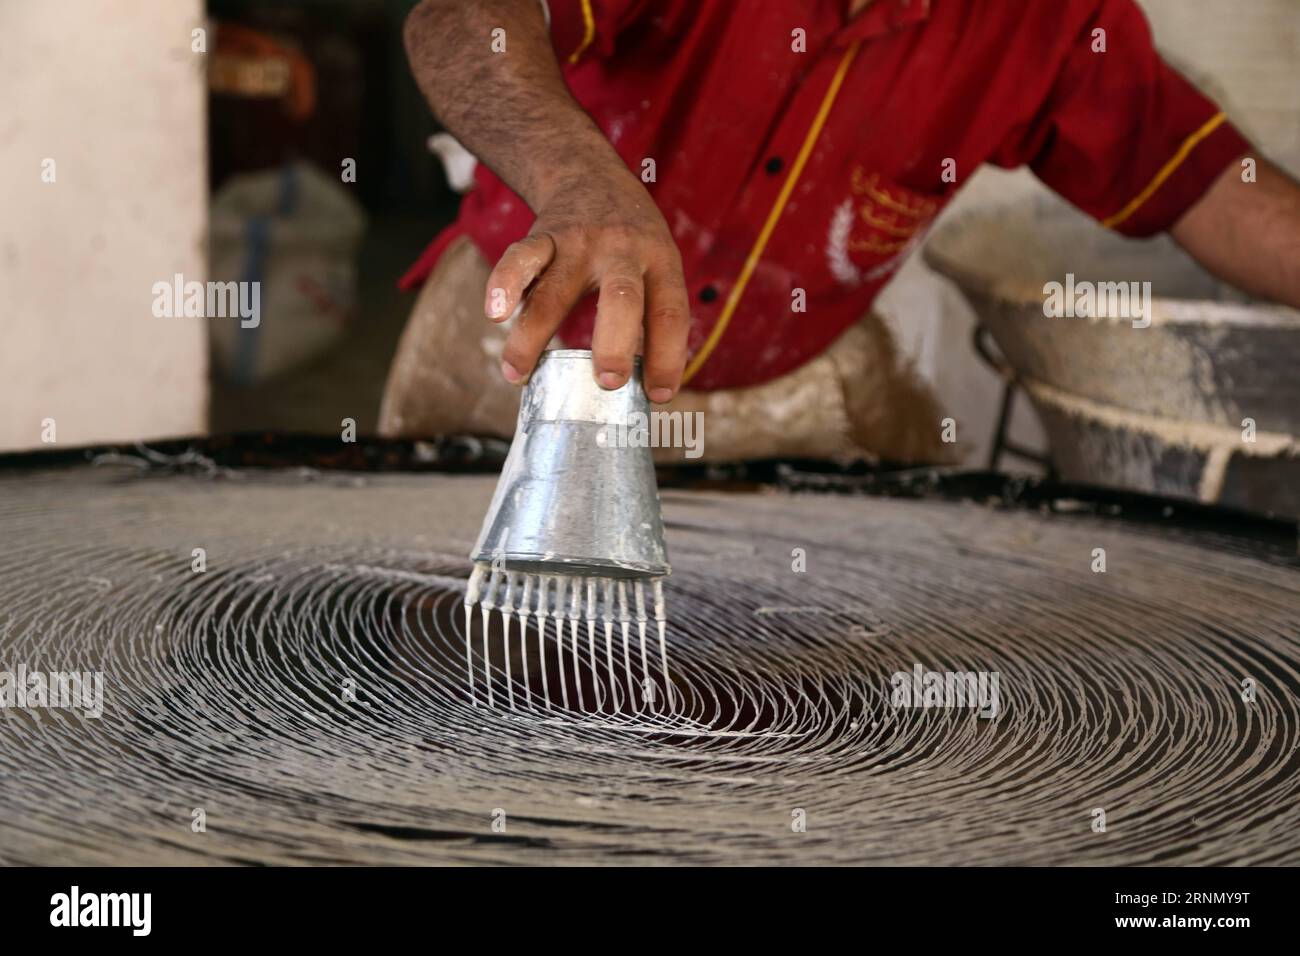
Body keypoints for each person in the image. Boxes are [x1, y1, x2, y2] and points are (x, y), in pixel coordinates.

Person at [380, 0, 1300, 462]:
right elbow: (464, 19)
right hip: (517, 357)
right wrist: (582, 182)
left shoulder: (1050, 20)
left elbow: (1207, 181)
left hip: (794, 388)